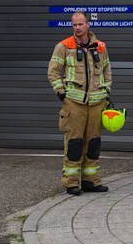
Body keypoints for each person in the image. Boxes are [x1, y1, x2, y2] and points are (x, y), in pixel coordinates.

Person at [47, 11, 112, 195]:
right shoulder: (63, 46)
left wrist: (106, 91)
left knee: (93, 143)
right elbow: (53, 72)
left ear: (88, 24)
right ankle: (71, 183)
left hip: (97, 103)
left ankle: (91, 181)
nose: (77, 28)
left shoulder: (100, 47)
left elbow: (107, 70)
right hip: (74, 103)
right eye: (74, 25)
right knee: (74, 144)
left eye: (80, 24)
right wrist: (62, 94)